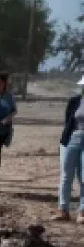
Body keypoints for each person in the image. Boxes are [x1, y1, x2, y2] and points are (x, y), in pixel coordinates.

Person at [55, 75, 84, 222]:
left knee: (83, 176)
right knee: (66, 175)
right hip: (71, 139)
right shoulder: (74, 101)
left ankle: (82, 211)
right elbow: (67, 122)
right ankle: (63, 209)